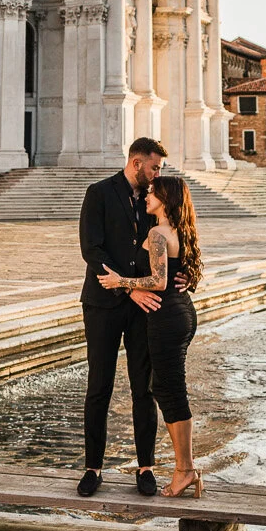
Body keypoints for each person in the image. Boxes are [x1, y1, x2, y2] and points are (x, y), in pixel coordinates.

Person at [99, 174, 203, 497]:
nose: (147, 196)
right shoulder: (180, 230)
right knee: (167, 388)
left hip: (166, 316)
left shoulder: (158, 233)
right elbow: (182, 274)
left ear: (165, 199)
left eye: (153, 193)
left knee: (171, 392)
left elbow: (158, 281)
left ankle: (184, 470)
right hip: (182, 312)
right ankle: (186, 468)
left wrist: (121, 282)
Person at [77, 136, 168, 498]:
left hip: (140, 307)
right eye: (154, 167)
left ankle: (145, 467)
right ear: (136, 163)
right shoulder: (98, 193)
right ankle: (93, 468)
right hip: (102, 303)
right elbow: (91, 250)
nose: (158, 173)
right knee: (99, 386)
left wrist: (179, 274)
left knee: (143, 388)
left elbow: (167, 241)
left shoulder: (153, 199)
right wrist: (129, 288)